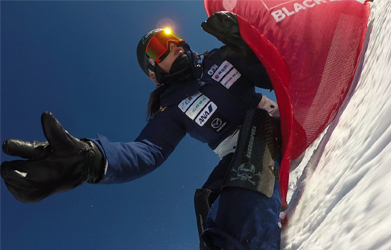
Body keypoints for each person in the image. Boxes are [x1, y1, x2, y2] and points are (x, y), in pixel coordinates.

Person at [1, 12, 282, 250]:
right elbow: (147, 150)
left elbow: (274, 71)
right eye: (160, 46)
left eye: (172, 36)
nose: (173, 44)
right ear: (153, 70)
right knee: (208, 202)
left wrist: (244, 43)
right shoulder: (172, 107)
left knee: (246, 171)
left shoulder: (219, 58)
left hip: (271, 122)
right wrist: (91, 159)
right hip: (235, 153)